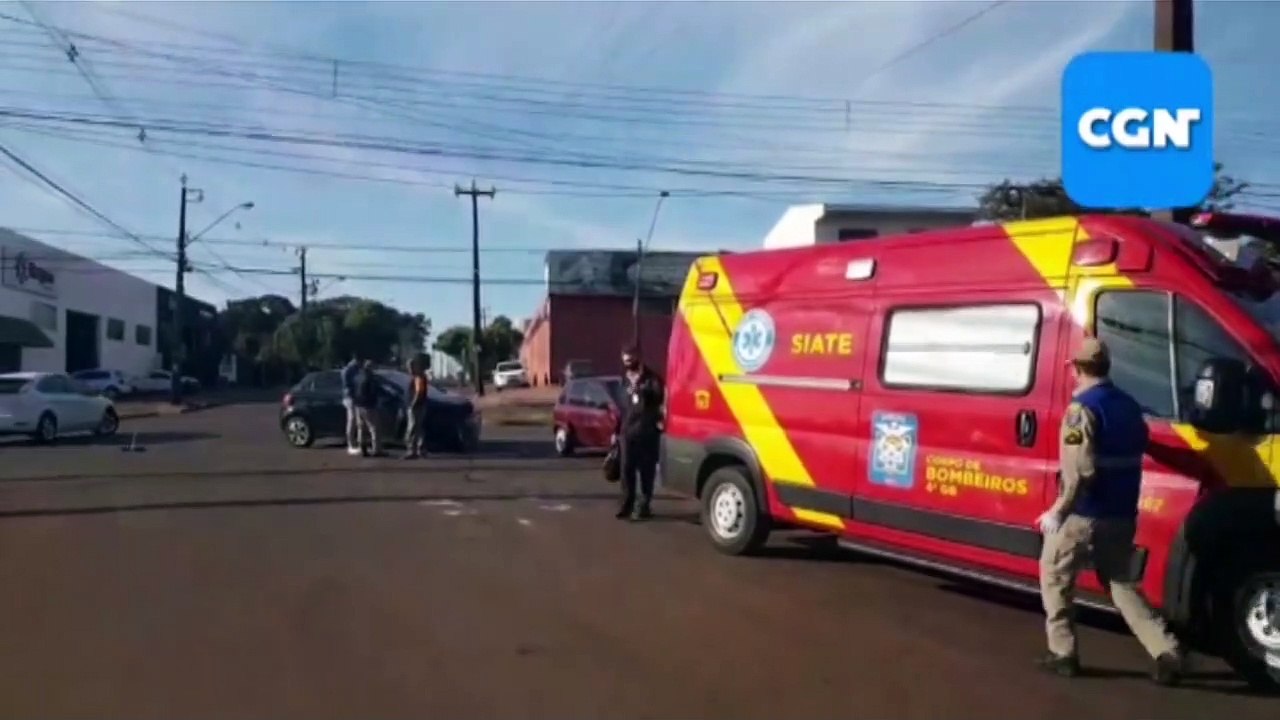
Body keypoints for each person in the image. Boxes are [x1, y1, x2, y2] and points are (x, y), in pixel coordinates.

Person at [1036, 337, 1184, 685]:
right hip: (1122, 514)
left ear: (1078, 368)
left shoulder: (1080, 410)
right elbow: (1141, 442)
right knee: (1120, 583)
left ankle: (1063, 653)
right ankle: (1166, 649)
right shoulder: (1130, 405)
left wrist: (1058, 510)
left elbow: (1080, 472)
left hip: (1084, 514)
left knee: (1054, 576)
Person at [612, 344, 664, 521]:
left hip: (647, 432)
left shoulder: (651, 378)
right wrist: (615, 431)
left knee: (646, 471)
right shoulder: (622, 380)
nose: (628, 364)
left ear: (638, 358)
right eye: (625, 360)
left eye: (630, 359)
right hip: (627, 433)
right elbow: (620, 408)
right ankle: (626, 504)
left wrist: (642, 390)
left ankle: (644, 505)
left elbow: (659, 397)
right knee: (626, 470)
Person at [402, 353, 430, 460]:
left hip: (417, 407)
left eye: (410, 366)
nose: (408, 369)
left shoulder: (419, 377)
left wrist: (413, 404)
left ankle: (412, 451)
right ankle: (421, 449)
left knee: (412, 429)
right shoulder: (417, 377)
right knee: (418, 428)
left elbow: (419, 392)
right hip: (419, 406)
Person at [354, 359, 383, 457]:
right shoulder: (371, 378)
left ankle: (363, 448)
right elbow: (374, 391)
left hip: (358, 405)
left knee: (361, 428)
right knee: (374, 428)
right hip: (369, 405)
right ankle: (376, 450)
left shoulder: (358, 377)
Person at [341, 354, 361, 456]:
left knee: (356, 420)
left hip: (353, 397)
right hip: (350, 397)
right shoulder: (348, 371)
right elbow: (348, 385)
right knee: (352, 420)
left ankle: (356, 443)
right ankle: (350, 444)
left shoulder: (354, 369)